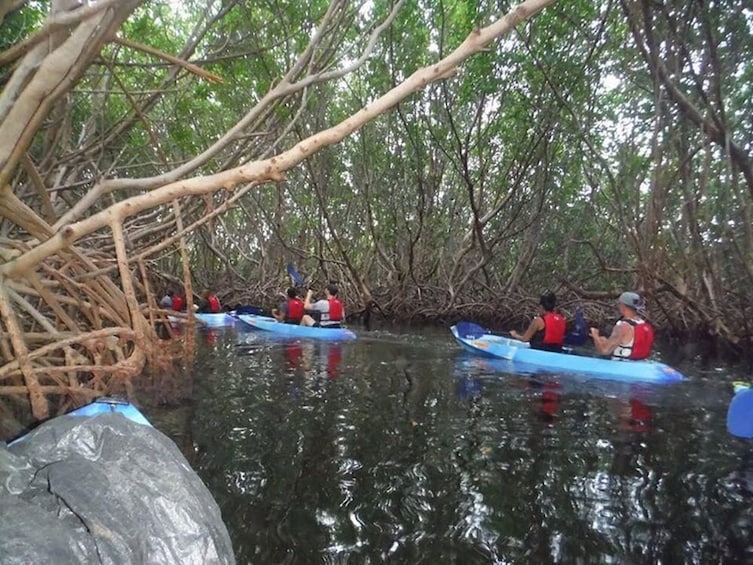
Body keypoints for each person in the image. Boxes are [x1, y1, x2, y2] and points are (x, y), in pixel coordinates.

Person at [590, 291, 655, 360]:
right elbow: (629, 342)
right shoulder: (644, 325)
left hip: (622, 366)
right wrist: (606, 341)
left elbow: (604, 350)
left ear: (623, 306)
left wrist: (595, 336)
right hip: (640, 364)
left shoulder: (622, 327)